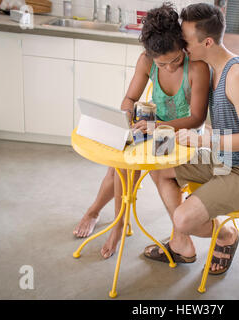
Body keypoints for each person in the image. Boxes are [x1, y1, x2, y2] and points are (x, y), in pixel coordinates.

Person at [144, 3, 239, 274]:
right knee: (158, 166)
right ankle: (181, 244)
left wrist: (205, 141)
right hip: (223, 158)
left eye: (186, 40)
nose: (182, 46)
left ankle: (226, 235)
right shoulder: (214, 70)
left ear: (206, 42)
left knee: (182, 218)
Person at [73, 2, 210, 259]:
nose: (169, 67)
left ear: (182, 45)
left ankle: (109, 220)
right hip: (151, 126)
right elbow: (130, 98)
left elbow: (196, 117)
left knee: (130, 167)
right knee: (121, 164)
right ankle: (113, 220)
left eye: (175, 60)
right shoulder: (146, 61)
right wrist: (126, 115)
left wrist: (157, 127)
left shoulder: (197, 68)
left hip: (181, 136)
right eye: (161, 64)